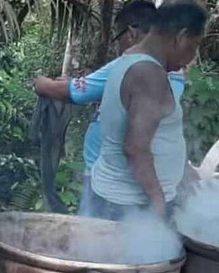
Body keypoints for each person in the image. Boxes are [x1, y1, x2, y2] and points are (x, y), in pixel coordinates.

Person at [34, 0, 187, 216]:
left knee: (95, 241)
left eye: (118, 37)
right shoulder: (173, 74)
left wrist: (42, 84)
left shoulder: (130, 66)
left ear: (132, 33)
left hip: (111, 183)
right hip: (149, 179)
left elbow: (75, 92)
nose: (119, 46)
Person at [88, 0, 207, 221]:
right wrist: (157, 199)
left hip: (119, 202)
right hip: (131, 208)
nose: (193, 55)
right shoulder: (148, 74)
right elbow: (136, 147)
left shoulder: (132, 58)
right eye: (195, 44)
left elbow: (156, 133)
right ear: (180, 37)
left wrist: (181, 170)